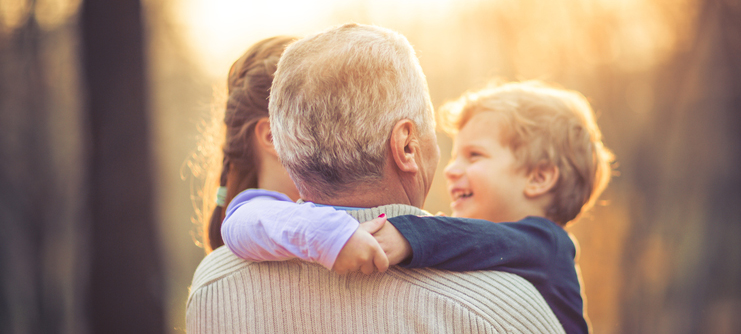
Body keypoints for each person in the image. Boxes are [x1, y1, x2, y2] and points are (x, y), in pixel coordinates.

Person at [186, 24, 564, 333]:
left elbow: (243, 217)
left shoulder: (212, 287)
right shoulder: (504, 307)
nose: (451, 165)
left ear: (288, 145)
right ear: (407, 146)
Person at [222, 82, 614, 334]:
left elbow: (481, 240)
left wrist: (407, 233)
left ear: (539, 178)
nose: (452, 170)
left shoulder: (548, 245)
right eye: (454, 155)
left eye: (475, 156)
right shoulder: (493, 249)